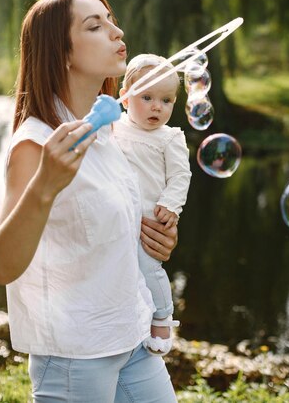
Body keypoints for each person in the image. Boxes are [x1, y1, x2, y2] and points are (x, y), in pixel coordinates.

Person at [0, 0, 179, 403]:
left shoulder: (110, 132)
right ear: (63, 53)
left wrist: (153, 238)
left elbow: (96, 229)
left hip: (131, 334)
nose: (117, 32)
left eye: (111, 20)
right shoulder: (36, 144)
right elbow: (2, 266)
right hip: (77, 355)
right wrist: (44, 186)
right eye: (95, 26)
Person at [113, 54, 191, 355]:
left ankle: (162, 314)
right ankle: (134, 316)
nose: (157, 106)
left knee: (149, 267)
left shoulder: (169, 138)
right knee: (122, 268)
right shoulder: (114, 127)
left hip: (149, 216)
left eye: (167, 100)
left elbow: (180, 176)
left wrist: (171, 205)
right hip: (120, 215)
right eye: (147, 97)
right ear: (125, 97)